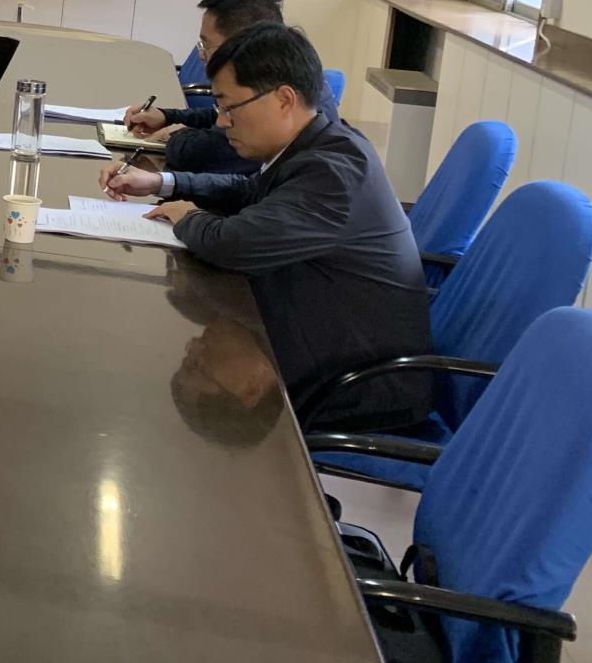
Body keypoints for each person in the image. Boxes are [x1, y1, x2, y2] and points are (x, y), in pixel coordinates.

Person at [100, 24, 432, 431]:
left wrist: (188, 217)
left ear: (284, 99)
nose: (222, 122)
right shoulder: (319, 145)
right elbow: (249, 191)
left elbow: (232, 243)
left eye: (229, 108)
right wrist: (162, 182)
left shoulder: (334, 174)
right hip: (318, 342)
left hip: (359, 390)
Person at [120, 0, 314, 178]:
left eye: (206, 44)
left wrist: (175, 136)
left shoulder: (312, 165)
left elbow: (204, 153)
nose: (201, 54)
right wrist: (168, 117)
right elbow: (218, 115)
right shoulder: (269, 79)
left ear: (239, 44)